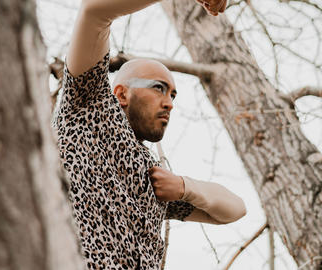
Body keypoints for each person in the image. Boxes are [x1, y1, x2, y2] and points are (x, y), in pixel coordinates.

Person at [52, 0, 246, 269]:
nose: (169, 103)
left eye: (173, 94)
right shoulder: (88, 106)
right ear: (121, 93)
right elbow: (93, 12)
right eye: (158, 88)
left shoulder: (155, 177)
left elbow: (234, 210)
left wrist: (183, 187)